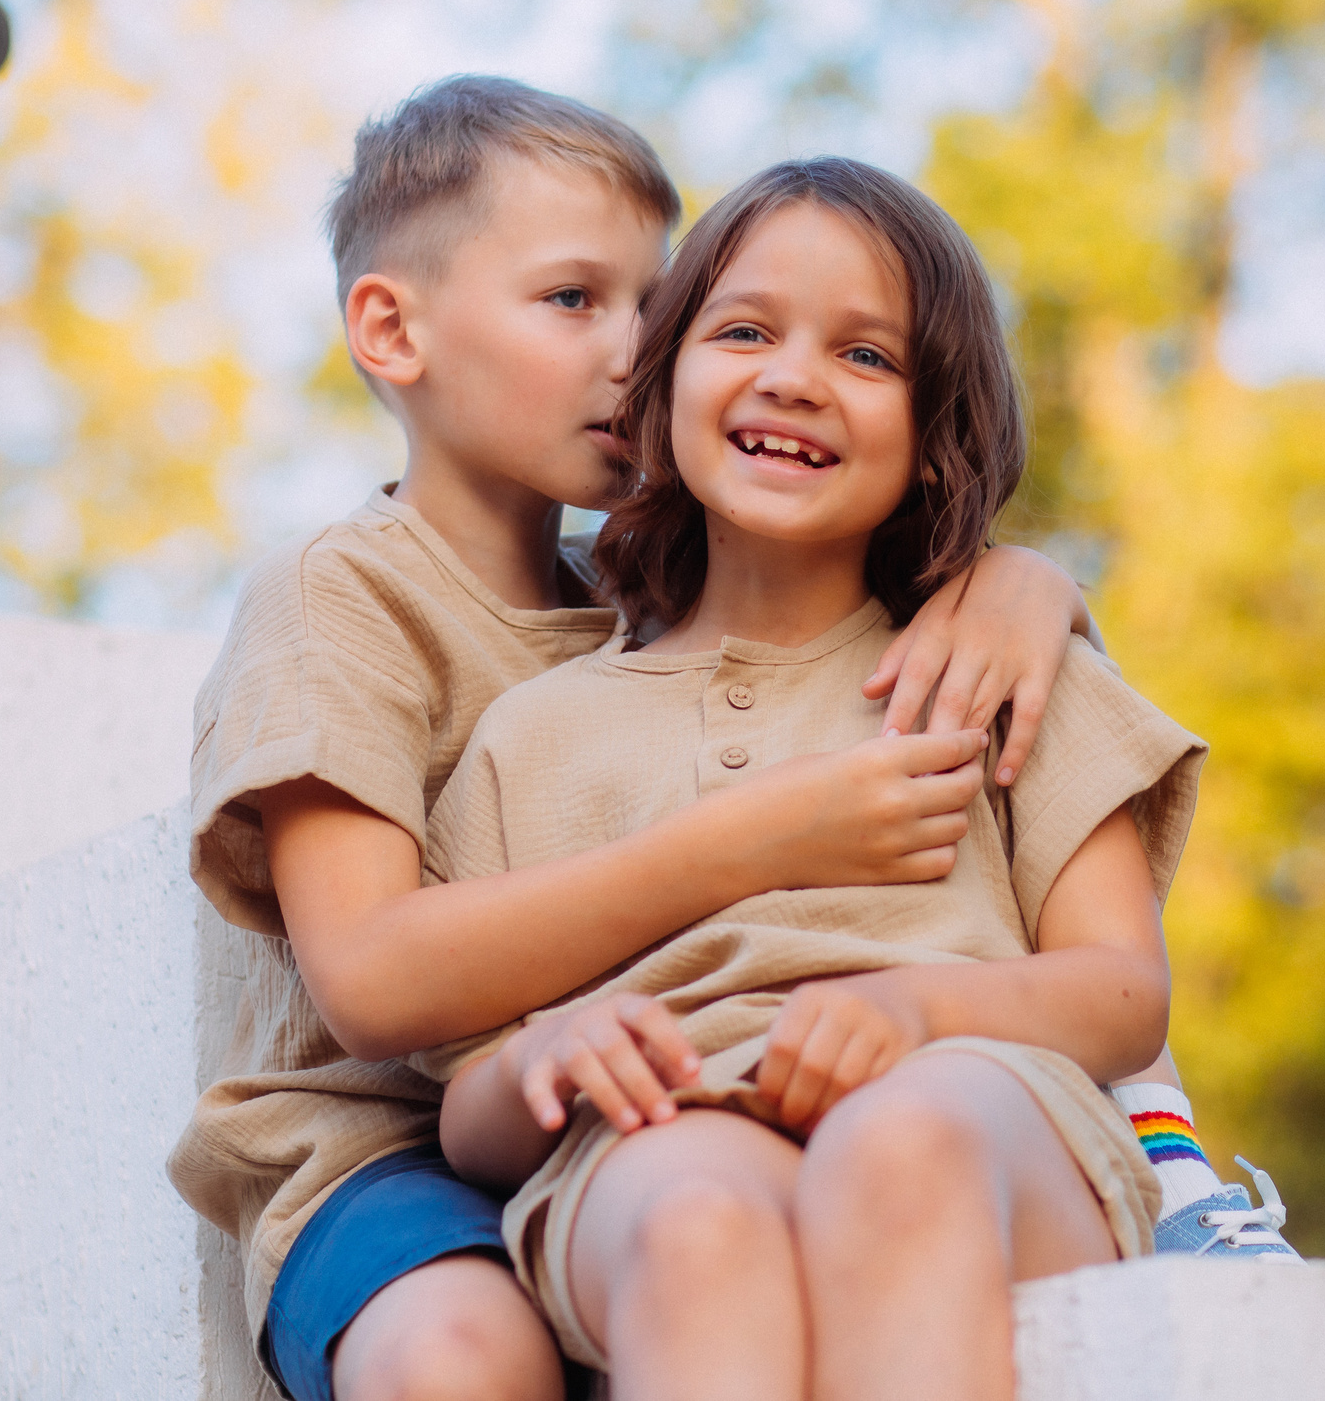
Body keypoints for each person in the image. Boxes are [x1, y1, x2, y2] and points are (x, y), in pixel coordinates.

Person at [166, 79, 1108, 1401]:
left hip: (637, 1107)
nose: (630, 350)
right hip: (383, 1144)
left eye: (655, 308)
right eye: (573, 301)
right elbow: (375, 978)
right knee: (462, 1355)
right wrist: (744, 843)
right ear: (391, 324)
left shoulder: (643, 604)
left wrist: (1025, 580)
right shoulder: (341, 596)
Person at [413, 157, 1294, 1401]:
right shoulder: (530, 735)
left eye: (866, 357)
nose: (793, 377)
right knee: (696, 1222)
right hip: (670, 1134)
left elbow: (1121, 994)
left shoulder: (1004, 674)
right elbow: (468, 1119)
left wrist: (917, 1016)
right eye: (745, 330)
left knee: (901, 1145)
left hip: (981, 1110)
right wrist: (548, 1059)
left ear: (937, 441)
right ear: (655, 389)